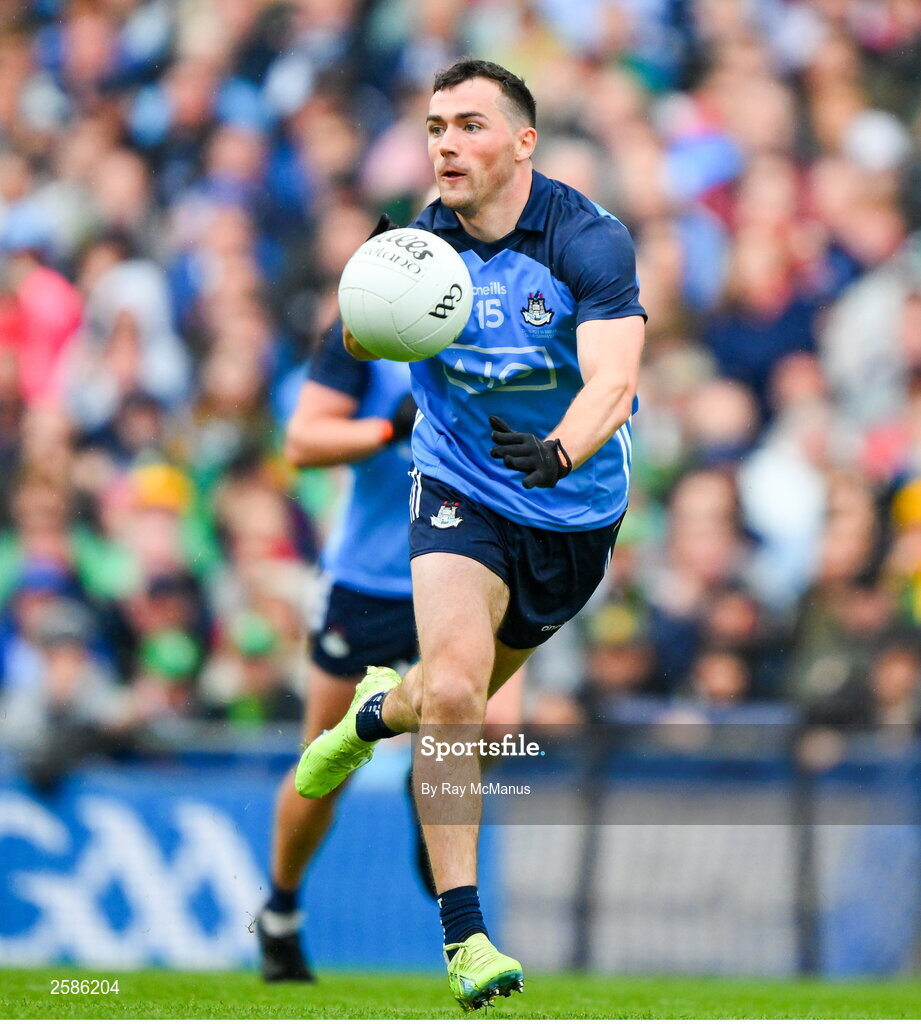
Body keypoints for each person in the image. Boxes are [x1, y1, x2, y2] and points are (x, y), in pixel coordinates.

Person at [295, 59, 646, 1010]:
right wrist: (372, 310)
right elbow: (359, 343)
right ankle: (466, 937)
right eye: (435, 126)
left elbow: (612, 383)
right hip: (456, 486)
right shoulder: (412, 243)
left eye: (470, 126)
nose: (446, 143)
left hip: (569, 509)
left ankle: (374, 711)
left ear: (522, 143)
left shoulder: (588, 241)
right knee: (458, 697)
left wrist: (560, 454)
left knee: (439, 699)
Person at [255, 299, 419, 982]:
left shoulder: (495, 337)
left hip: (468, 574)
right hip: (369, 584)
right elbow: (303, 445)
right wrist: (387, 429)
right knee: (325, 760)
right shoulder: (357, 349)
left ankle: (428, 777)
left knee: (492, 725)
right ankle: (281, 911)